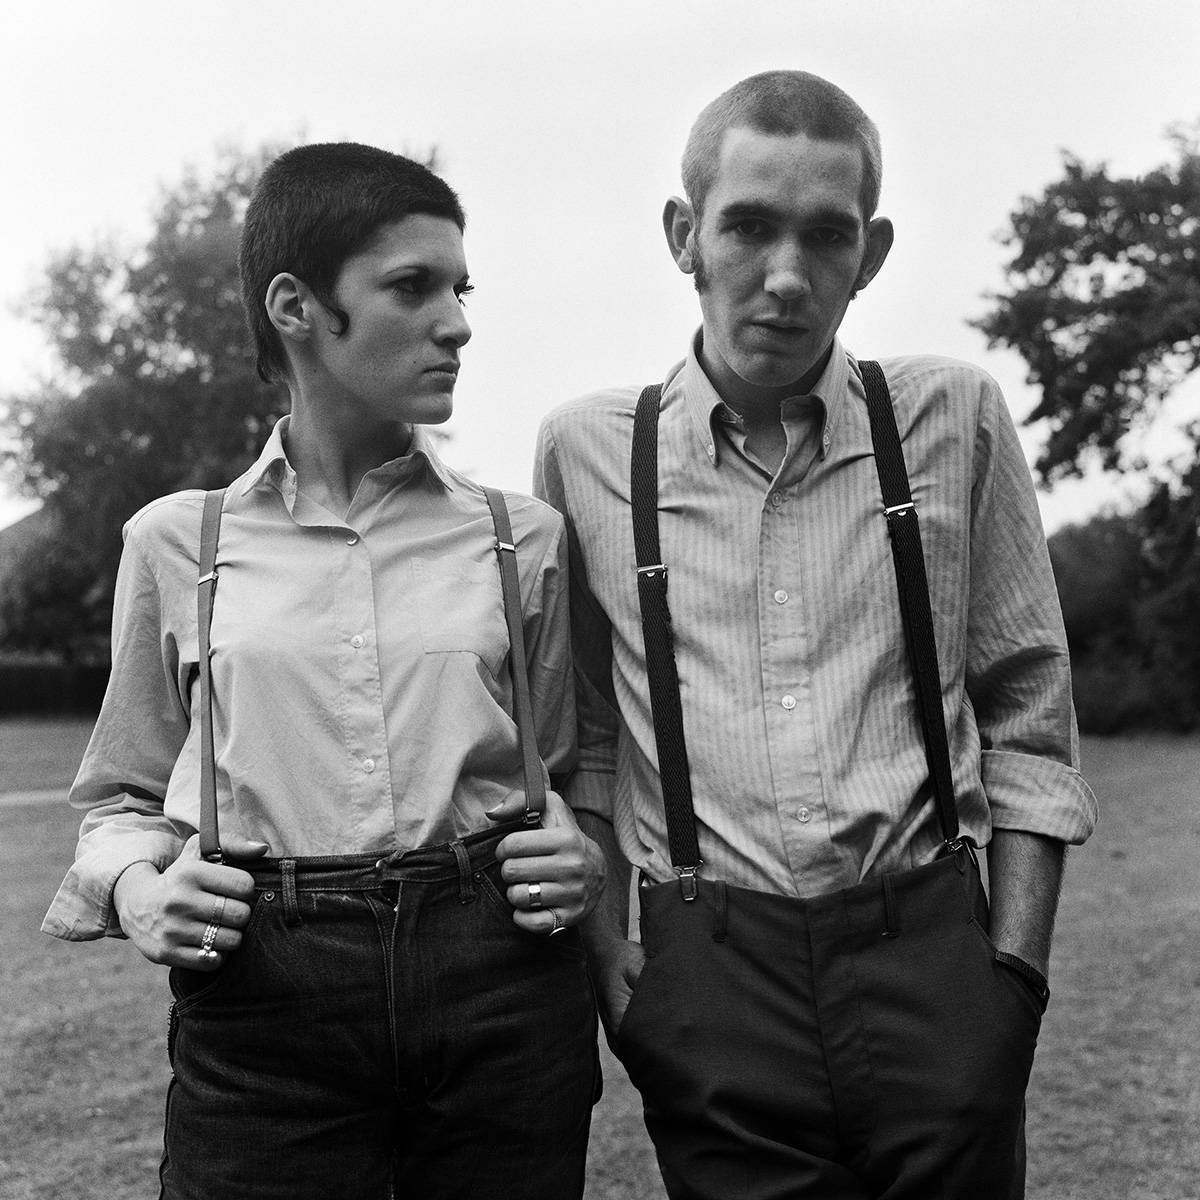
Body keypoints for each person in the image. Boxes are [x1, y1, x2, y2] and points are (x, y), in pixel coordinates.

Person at [534, 70, 1098, 1200]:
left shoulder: (953, 417)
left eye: (826, 237)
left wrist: (1013, 983)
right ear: (684, 235)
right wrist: (617, 973)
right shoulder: (589, 452)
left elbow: (1030, 715)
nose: (786, 278)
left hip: (933, 955)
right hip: (710, 973)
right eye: (748, 226)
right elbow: (584, 741)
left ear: (871, 253)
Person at [43, 142, 605, 1200]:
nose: (458, 322)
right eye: (413, 287)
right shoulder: (178, 544)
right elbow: (124, 794)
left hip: (501, 989)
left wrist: (579, 852)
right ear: (297, 307)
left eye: (460, 288)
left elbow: (569, 778)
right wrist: (136, 891)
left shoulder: (518, 538)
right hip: (263, 996)